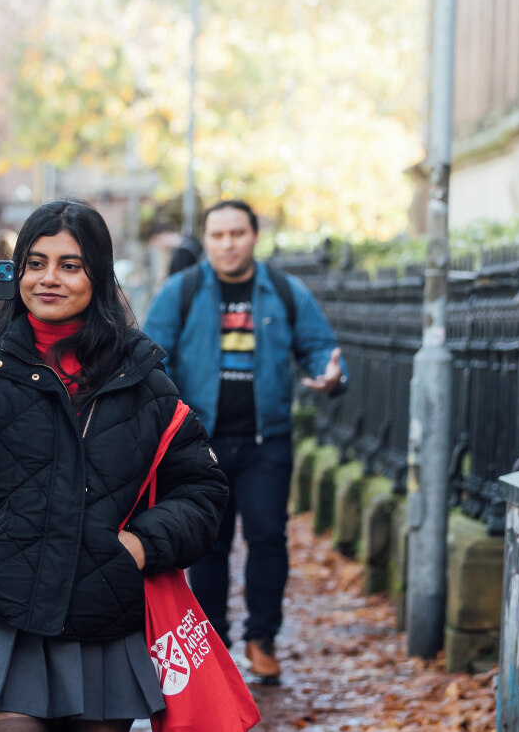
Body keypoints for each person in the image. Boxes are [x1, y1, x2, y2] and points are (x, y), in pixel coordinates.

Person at [0, 199, 230, 732]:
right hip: (5, 613)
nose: (49, 279)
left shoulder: (142, 379)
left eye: (70, 265)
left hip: (104, 618)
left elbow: (202, 490)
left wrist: (140, 545)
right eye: (35, 263)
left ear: (99, 276)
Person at [143, 199, 346, 684]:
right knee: (208, 546)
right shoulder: (183, 290)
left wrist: (330, 374)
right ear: (207, 240)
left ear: (254, 237)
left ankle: (262, 640)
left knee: (267, 539)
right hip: (200, 445)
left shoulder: (282, 290)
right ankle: (213, 648)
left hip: (265, 443)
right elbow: (151, 355)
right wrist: (173, 415)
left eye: (237, 234)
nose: (228, 244)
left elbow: (320, 347)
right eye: (218, 235)